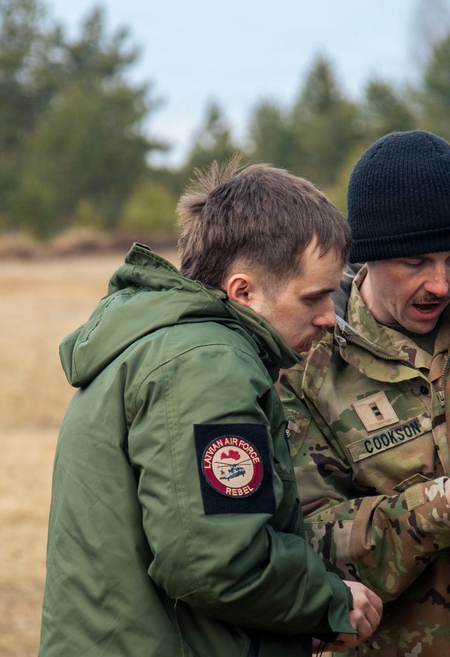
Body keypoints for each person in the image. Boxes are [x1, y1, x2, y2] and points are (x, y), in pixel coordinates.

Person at [40, 161, 383, 655]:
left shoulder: (161, 347)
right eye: (314, 297)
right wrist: (327, 601)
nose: (331, 315)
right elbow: (215, 562)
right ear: (242, 291)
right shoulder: (207, 366)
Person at [280, 130, 450, 656]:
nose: (440, 283)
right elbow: (308, 545)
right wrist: (441, 504)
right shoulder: (308, 368)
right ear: (368, 256)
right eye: (415, 263)